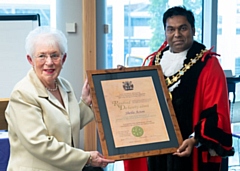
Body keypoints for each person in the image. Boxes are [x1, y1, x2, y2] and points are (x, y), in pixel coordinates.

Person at [122, 6, 234, 171]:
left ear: (193, 30)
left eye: (183, 28)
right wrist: (121, 79)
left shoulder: (208, 65)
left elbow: (216, 113)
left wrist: (194, 139)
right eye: (171, 29)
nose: (177, 34)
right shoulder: (154, 61)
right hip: (156, 147)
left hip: (189, 149)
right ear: (165, 32)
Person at [5, 26, 114, 171]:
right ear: (30, 60)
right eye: (42, 56)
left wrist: (85, 102)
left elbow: (66, 125)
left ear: (64, 58)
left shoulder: (64, 85)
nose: (49, 62)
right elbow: (41, 145)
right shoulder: (22, 93)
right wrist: (86, 158)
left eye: (54, 55)